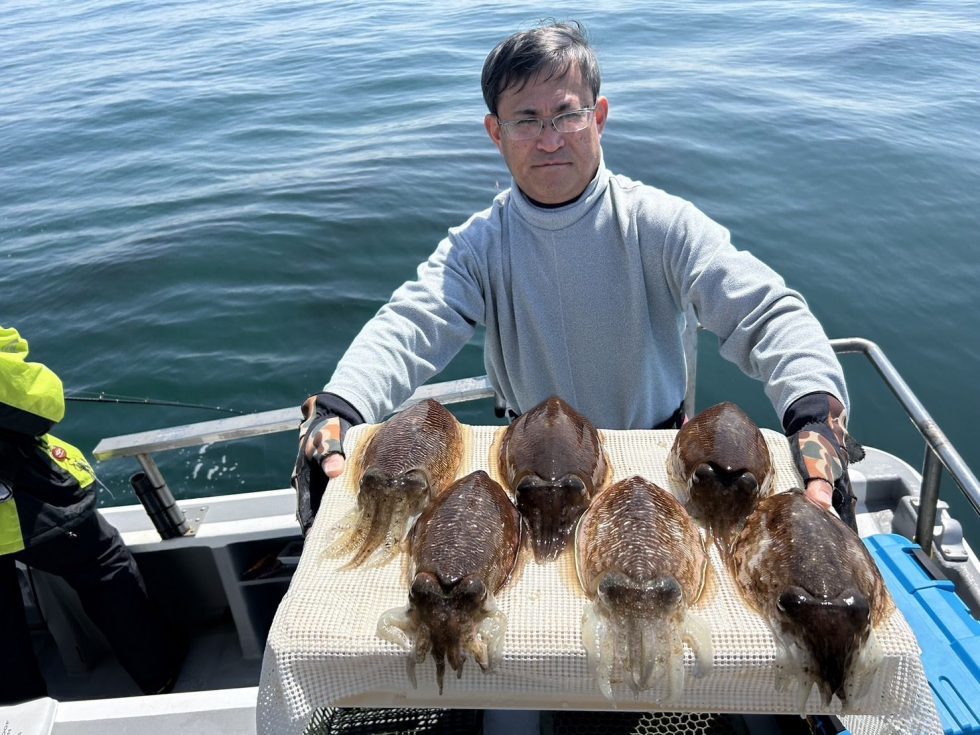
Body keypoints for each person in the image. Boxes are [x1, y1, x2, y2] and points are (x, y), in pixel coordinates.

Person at [291, 20, 862, 536]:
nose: (549, 140)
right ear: (495, 132)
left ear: (599, 116)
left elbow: (765, 312)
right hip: (529, 472)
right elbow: (410, 325)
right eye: (526, 120)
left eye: (567, 115)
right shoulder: (477, 246)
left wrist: (815, 412)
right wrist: (341, 406)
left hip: (656, 457)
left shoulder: (660, 223)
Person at [0, 326, 183, 704]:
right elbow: (41, 405)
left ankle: (21, 713)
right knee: (103, 565)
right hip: (22, 506)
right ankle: (158, 677)